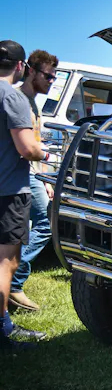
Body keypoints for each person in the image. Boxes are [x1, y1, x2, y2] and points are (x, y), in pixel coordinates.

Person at [0, 40, 50, 352]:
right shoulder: (13, 97)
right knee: (6, 262)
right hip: (7, 191)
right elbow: (27, 148)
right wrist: (48, 154)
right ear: (21, 67)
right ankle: (3, 327)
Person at [9, 50, 59, 311]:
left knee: (26, 229)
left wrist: (46, 179)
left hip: (32, 173)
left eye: (54, 77)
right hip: (19, 172)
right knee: (45, 223)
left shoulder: (32, 101)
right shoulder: (18, 99)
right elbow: (28, 147)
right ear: (30, 70)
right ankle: (14, 282)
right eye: (48, 76)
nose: (51, 81)